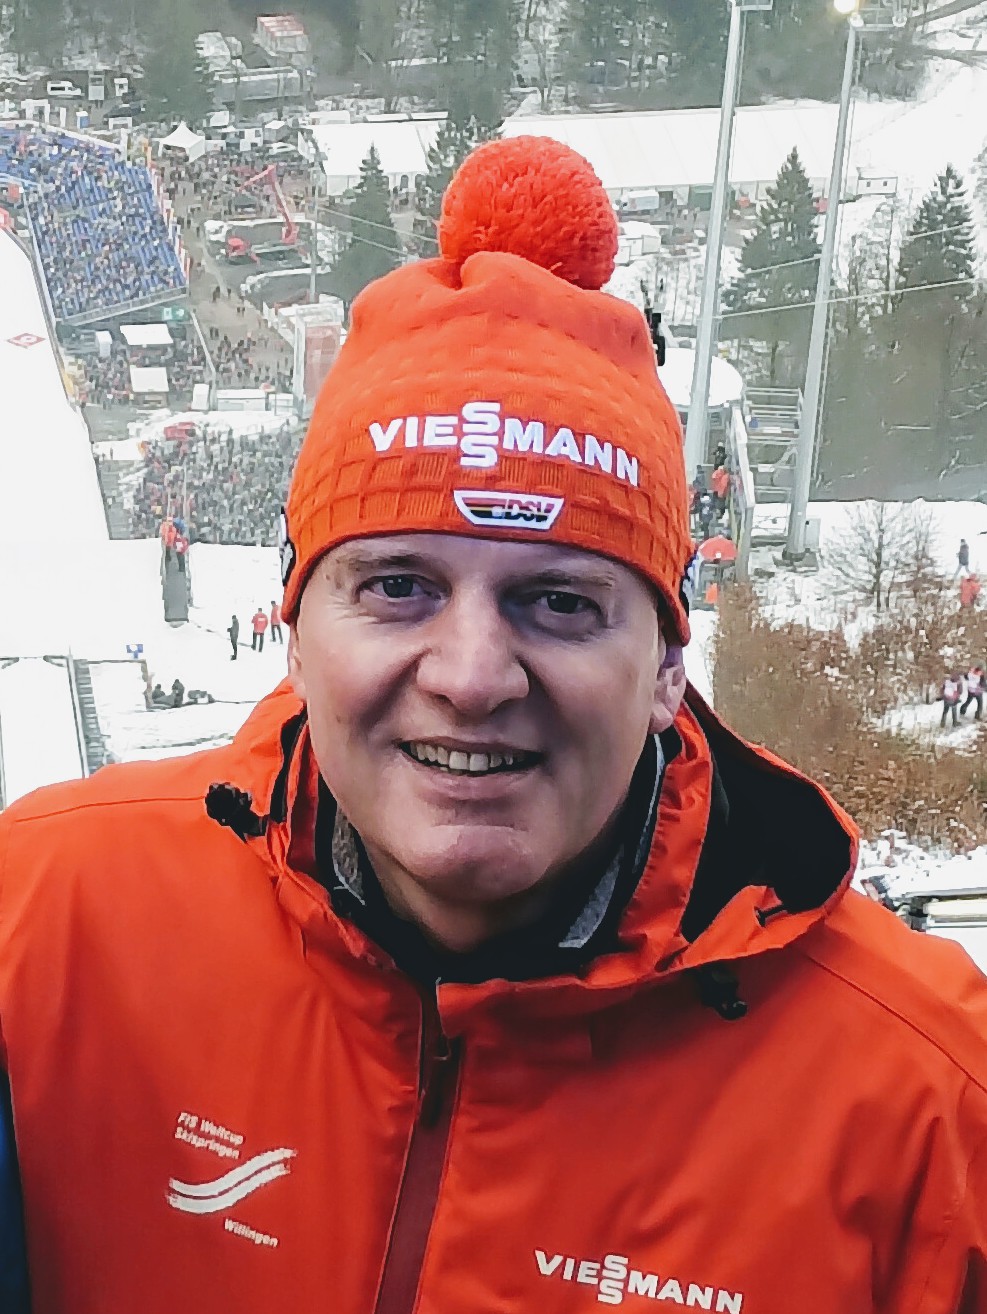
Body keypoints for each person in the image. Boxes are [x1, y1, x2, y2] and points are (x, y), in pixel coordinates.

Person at [0, 138, 984, 1314]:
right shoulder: (43, 927)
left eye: (559, 602)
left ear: (669, 665)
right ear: (294, 628)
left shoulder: (929, 1114)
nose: (472, 677)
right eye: (397, 587)